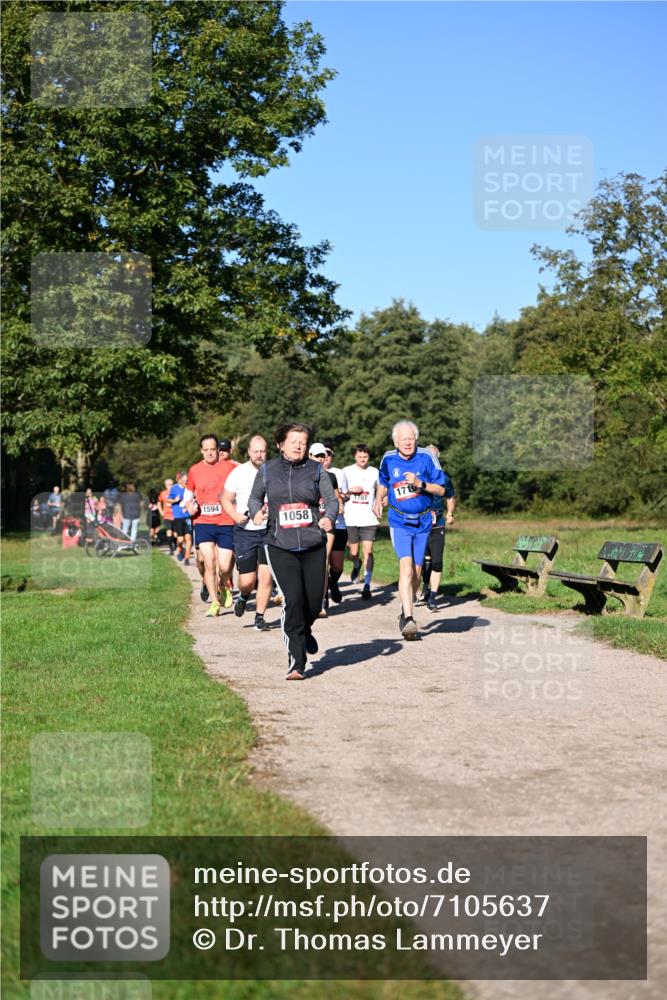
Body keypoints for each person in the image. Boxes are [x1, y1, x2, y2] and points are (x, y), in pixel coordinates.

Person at [248, 423, 338, 680]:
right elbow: (255, 498)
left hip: (313, 543)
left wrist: (329, 517)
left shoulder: (315, 470)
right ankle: (296, 660)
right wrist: (256, 512)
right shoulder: (268, 470)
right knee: (293, 599)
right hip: (280, 544)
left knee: (312, 602)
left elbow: (331, 500)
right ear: (280, 444)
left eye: (303, 442)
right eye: (293, 441)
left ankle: (305, 629)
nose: (299, 446)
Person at [373, 420, 446, 640]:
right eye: (403, 438)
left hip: (423, 521)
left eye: (411, 438)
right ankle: (409, 618)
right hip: (399, 521)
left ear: (416, 439)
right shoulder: (388, 458)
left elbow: (441, 489)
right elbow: (383, 482)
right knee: (405, 568)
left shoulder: (427, 457)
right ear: (395, 441)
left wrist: (420, 484)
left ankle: (406, 606)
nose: (407, 442)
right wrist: (378, 499)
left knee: (416, 571)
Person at [221, 435, 273, 632]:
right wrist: (235, 515)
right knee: (248, 581)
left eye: (263, 451)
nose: (259, 455)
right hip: (246, 531)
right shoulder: (238, 473)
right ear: (249, 452)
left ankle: (260, 617)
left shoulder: (274, 472)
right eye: (256, 451)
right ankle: (243, 596)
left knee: (266, 577)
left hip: (269, 531)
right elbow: (226, 499)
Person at [184, 434, 236, 617]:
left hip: (225, 521)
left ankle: (224, 585)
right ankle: (214, 603)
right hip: (203, 521)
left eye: (212, 449)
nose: (209, 453)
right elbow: (188, 494)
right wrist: (189, 505)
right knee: (209, 560)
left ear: (218, 450)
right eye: (205, 450)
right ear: (201, 451)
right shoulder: (194, 470)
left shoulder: (230, 468)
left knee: (224, 566)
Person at [417, 444, 457, 612]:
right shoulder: (416, 476)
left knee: (437, 562)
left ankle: (432, 598)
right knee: (419, 563)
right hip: (419, 524)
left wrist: (450, 513)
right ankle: (421, 589)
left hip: (437, 523)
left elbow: (451, 496)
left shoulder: (444, 478)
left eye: (434, 457)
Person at [340, 444, 379, 600]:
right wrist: (350, 490)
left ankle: (367, 585)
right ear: (355, 456)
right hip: (350, 518)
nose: (363, 459)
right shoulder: (346, 471)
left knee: (368, 551)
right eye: (360, 456)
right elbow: (339, 492)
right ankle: (356, 564)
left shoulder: (374, 472)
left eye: (365, 457)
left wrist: (382, 500)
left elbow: (382, 489)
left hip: (368, 518)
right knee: (354, 553)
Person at [322, 442, 347, 606]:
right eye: (320, 454)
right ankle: (323, 597)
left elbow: (343, 495)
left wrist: (341, 502)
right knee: (322, 560)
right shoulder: (307, 474)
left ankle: (333, 582)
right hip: (321, 523)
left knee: (337, 565)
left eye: (328, 454)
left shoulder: (337, 474)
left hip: (338, 523)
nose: (324, 458)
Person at [168, 472, 193, 565]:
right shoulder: (174, 488)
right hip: (178, 517)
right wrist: (175, 500)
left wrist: (189, 507)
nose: (186, 482)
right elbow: (168, 500)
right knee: (181, 539)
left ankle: (187, 558)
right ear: (180, 480)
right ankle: (180, 548)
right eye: (184, 480)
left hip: (187, 517)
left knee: (188, 538)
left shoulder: (190, 488)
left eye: (187, 480)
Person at [158, 478, 176, 555]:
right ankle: (171, 549)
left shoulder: (176, 493)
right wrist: (161, 512)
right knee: (169, 532)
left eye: (171, 484)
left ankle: (175, 544)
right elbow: (158, 503)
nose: (170, 486)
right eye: (168, 485)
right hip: (167, 516)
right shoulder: (163, 493)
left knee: (176, 534)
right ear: (165, 485)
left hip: (176, 516)